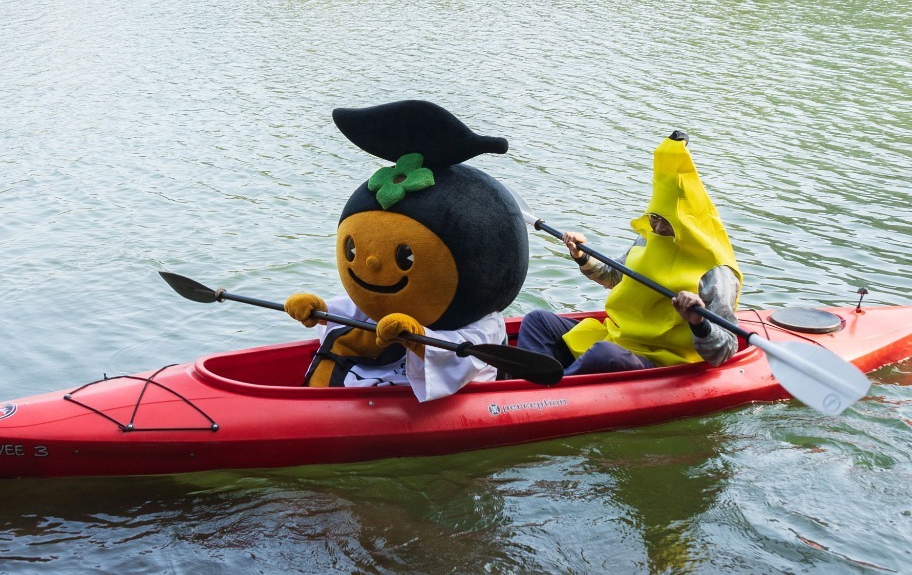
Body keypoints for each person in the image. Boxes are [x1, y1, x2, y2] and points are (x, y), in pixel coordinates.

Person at [282, 100, 529, 401]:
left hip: (451, 394)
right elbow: (359, 308)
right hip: (380, 376)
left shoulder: (483, 326)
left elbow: (460, 357)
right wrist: (321, 310)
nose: (371, 262)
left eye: (405, 258)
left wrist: (419, 339)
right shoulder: (384, 300)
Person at [517, 131, 743, 376]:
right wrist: (581, 255)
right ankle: (530, 383)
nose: (657, 227)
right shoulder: (647, 239)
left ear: (689, 223)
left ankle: (551, 388)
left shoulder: (716, 271)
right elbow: (613, 277)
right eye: (654, 217)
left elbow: (725, 350)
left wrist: (698, 322)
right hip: (619, 339)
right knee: (537, 321)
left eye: (667, 223)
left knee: (603, 354)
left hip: (664, 362)